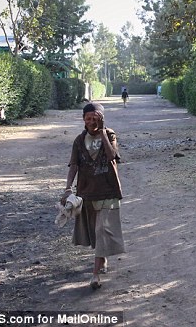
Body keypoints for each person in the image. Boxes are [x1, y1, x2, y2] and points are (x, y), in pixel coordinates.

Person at [63, 102, 125, 289]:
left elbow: (112, 156)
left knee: (101, 230)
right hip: (87, 193)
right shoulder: (79, 141)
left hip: (108, 190)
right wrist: (67, 188)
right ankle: (102, 258)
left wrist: (103, 132)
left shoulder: (110, 135)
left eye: (95, 118)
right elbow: (74, 165)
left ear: (102, 118)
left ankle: (95, 275)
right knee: (95, 232)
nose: (92, 122)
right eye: (88, 118)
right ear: (83, 119)